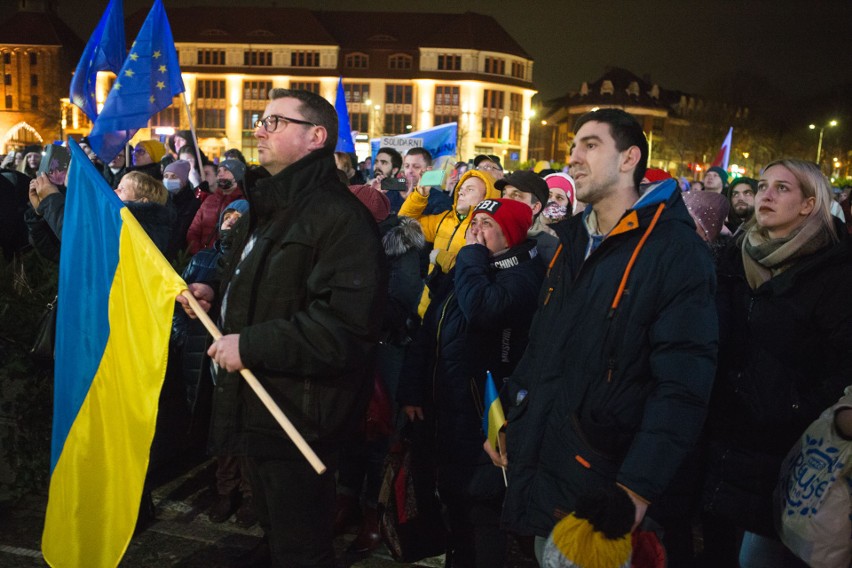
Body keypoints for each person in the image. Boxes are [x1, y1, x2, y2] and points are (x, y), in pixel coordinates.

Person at [497, 108, 718, 563]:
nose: (574, 157)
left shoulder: (675, 251)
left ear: (629, 158)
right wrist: (509, 417)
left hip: (608, 477)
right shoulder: (572, 239)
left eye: (591, 145)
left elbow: (683, 383)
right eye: (574, 146)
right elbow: (541, 345)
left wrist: (637, 487)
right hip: (548, 457)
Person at [178, 88, 385, 568]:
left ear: (315, 137)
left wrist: (248, 344)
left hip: (299, 412)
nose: (259, 130)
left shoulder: (340, 218)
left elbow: (344, 330)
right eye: (260, 119)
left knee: (301, 548)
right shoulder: (271, 207)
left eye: (275, 122)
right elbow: (259, 285)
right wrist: (215, 295)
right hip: (257, 404)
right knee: (276, 536)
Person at [701, 159, 852, 568]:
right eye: (763, 185)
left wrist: (796, 407)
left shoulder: (836, 272)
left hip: (787, 447)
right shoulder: (733, 255)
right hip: (722, 437)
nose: (766, 194)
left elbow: (842, 363)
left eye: (782, 188)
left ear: (808, 204)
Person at [398, 197, 544, 567]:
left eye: (487, 225)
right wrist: (412, 389)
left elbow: (483, 309)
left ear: (509, 234)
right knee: (455, 505)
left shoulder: (521, 275)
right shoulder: (467, 268)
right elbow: (428, 331)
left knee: (482, 511)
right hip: (446, 407)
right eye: (473, 223)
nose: (475, 232)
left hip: (485, 413)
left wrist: (470, 259)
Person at [399, 168, 500, 318]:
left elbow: (482, 271)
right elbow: (405, 223)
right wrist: (420, 195)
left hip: (455, 314)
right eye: (460, 188)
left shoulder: (489, 230)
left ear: (486, 197)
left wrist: (442, 258)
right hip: (425, 311)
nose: (460, 192)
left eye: (470, 189)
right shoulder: (444, 219)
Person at [496, 170, 560, 263]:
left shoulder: (552, 248)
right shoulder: (489, 234)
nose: (505, 199)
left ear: (535, 207)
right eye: (504, 193)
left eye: (516, 195)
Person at [185, 159, 246, 254]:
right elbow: (193, 231)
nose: (221, 174)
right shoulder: (209, 201)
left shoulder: (244, 204)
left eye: (226, 170)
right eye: (219, 171)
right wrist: (199, 253)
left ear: (238, 175)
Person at [162, 159, 201, 260]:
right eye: (166, 176)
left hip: (181, 257)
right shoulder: (161, 201)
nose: (168, 180)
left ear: (183, 180)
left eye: (174, 176)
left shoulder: (193, 203)